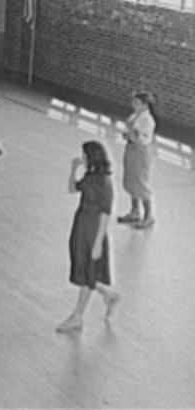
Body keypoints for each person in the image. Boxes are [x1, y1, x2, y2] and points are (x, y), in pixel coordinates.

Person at [56, 140, 121, 332]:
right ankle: (108, 295)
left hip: (93, 228)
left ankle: (78, 316)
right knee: (84, 268)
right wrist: (73, 169)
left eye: (84, 155)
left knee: (88, 270)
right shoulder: (90, 176)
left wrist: (98, 242)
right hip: (82, 223)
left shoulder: (104, 182)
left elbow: (106, 212)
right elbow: (72, 188)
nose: (82, 157)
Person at [116, 91, 158, 229]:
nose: (133, 105)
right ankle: (135, 211)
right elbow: (132, 135)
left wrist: (130, 131)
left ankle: (149, 216)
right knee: (132, 180)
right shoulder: (136, 116)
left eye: (137, 103)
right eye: (133, 102)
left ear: (145, 105)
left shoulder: (148, 120)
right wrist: (127, 134)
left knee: (140, 182)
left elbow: (140, 138)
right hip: (131, 150)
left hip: (140, 152)